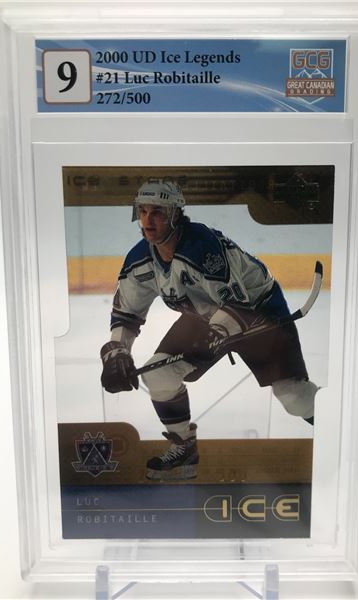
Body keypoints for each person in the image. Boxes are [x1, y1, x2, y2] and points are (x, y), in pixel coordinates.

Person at [100, 179, 318, 481]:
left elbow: (238, 304)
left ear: (175, 214)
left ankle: (335, 424)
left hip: (259, 312)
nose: (148, 220)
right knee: (158, 374)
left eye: (158, 212)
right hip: (206, 317)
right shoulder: (139, 260)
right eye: (143, 211)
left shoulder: (202, 248)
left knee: (294, 397)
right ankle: (184, 447)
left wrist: (216, 334)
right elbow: (126, 315)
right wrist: (117, 352)